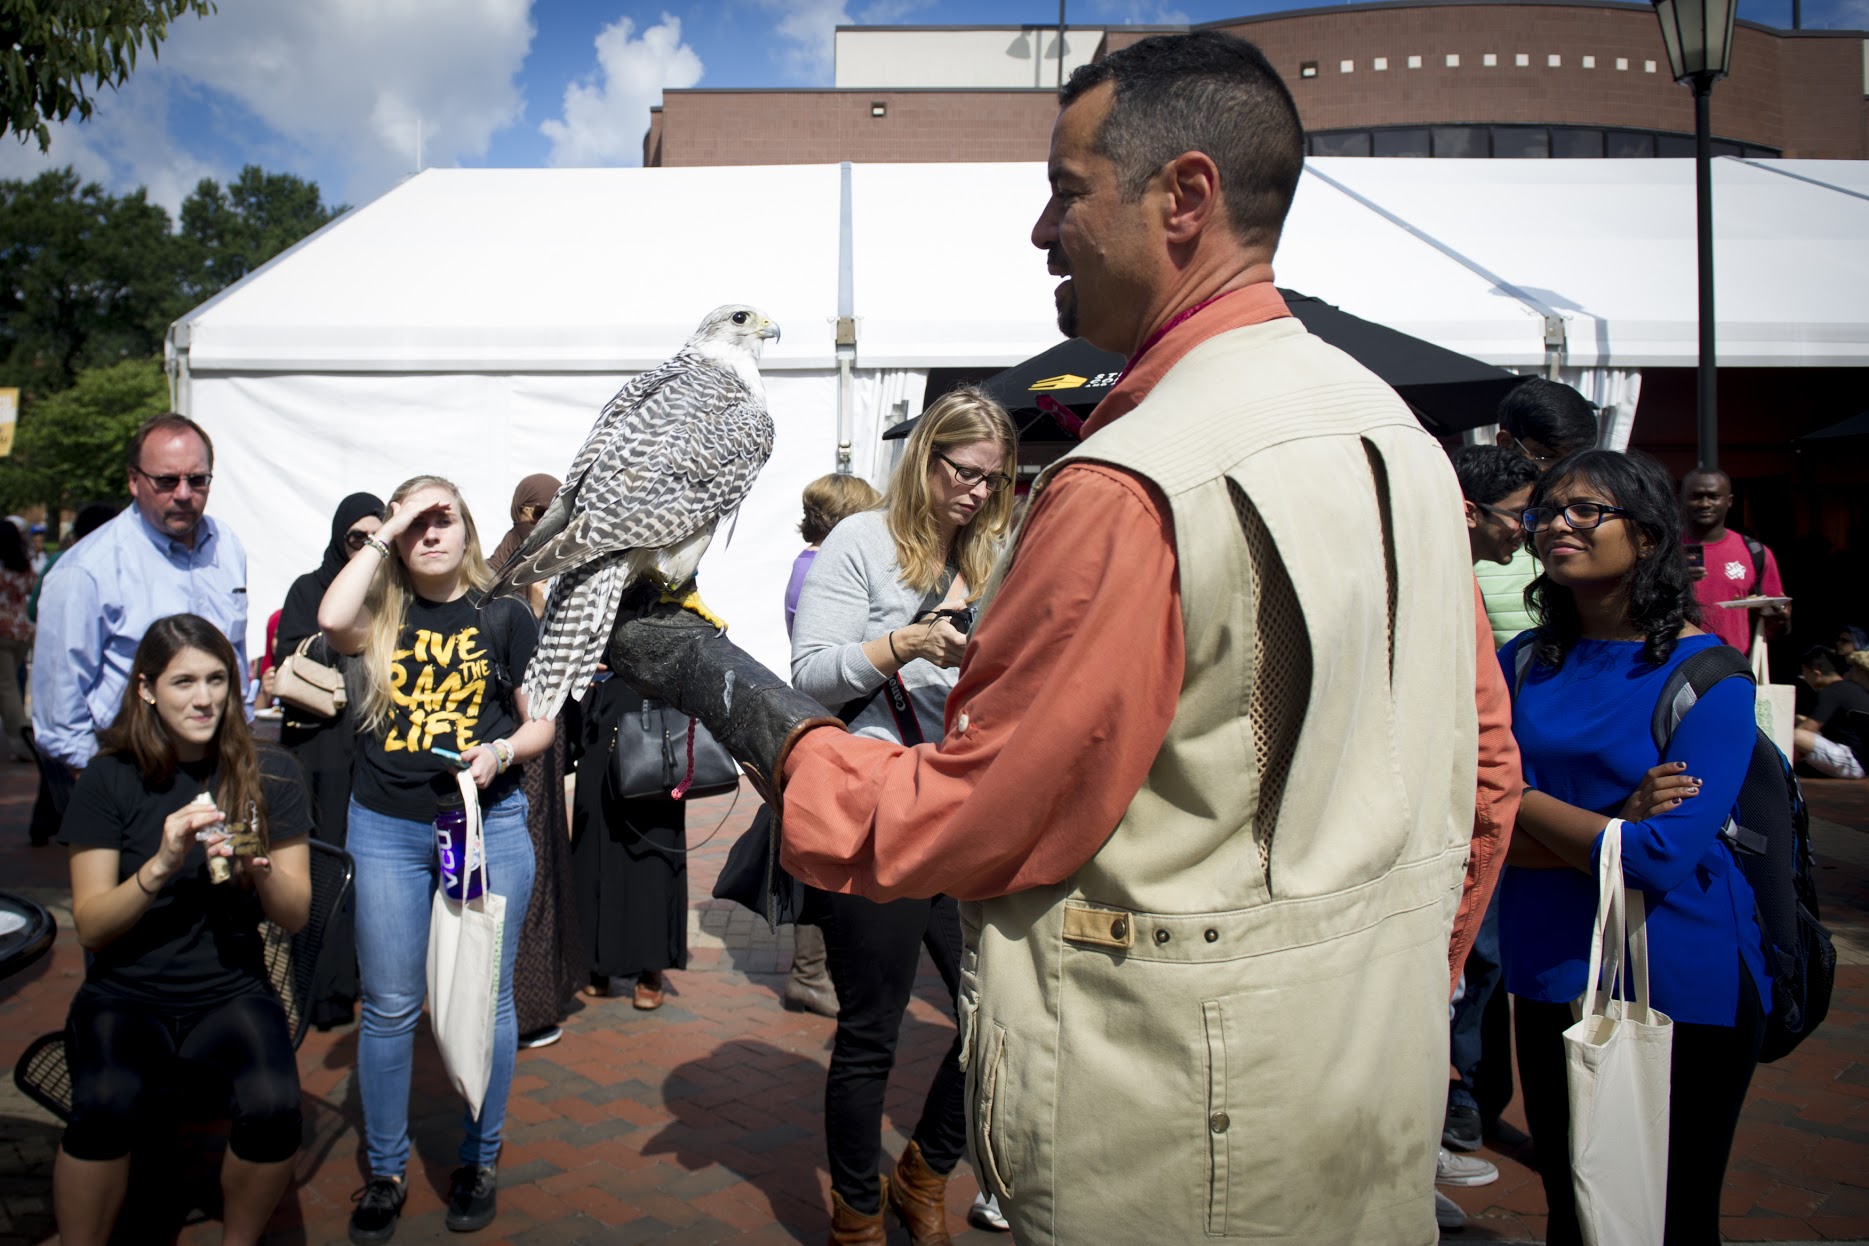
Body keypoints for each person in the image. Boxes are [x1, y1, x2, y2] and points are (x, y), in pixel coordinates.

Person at [608, 31, 1481, 1244]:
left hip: (1179, 1128)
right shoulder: (1400, 442)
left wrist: (731, 690)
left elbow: (973, 818)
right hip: (1370, 1093)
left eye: (1066, 191)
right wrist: (1384, 989)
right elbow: (1481, 773)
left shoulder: (1133, 481)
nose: (1039, 231)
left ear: (1185, 196)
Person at [1501, 449, 1768, 1246]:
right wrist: (1613, 817)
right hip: (1551, 963)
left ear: (1647, 537)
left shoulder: (1709, 676)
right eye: (1546, 509)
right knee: (1574, 1208)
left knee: (1669, 1216)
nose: (1556, 523)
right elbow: (1467, 830)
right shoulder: (1519, 664)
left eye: (1585, 510)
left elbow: (1657, 861)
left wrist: (1522, 805)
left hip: (1679, 975)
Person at [789, 388, 1015, 1244]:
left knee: (996, 1014)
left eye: (995, 481)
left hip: (971, 807)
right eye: (967, 474)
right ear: (926, 459)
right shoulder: (862, 541)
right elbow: (809, 674)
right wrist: (908, 643)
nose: (980, 494)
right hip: (879, 805)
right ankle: (855, 1210)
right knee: (872, 1029)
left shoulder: (997, 550)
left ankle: (925, 1168)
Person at [316, 475, 554, 1245]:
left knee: (485, 1000)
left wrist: (499, 752)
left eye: (442, 516)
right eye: (413, 521)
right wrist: (386, 531)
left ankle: (479, 1158)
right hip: (385, 827)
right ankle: (385, 1172)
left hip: (486, 824)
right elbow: (329, 617)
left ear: (469, 527)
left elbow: (542, 724)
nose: (429, 531)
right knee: (388, 1006)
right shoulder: (379, 611)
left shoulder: (504, 612)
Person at [53, 613, 312, 1246]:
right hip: (126, 990)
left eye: (218, 679)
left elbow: (295, 913)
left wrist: (261, 869)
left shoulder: (267, 775)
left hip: (229, 987)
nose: (204, 698)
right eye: (184, 682)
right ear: (146, 689)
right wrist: (162, 865)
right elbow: (91, 926)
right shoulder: (111, 778)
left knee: (275, 1104)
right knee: (104, 1102)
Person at [32, 415, 248, 780]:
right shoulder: (87, 570)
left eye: (197, 480)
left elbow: (235, 654)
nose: (183, 494)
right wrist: (103, 783)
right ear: (134, 480)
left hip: (218, 763)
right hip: (132, 769)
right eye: (166, 481)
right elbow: (59, 706)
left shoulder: (226, 546)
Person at [1442, 445, 1539, 1165]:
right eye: (1518, 515)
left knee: (1487, 962)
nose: (1527, 530)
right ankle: (1457, 1102)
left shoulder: (1467, 576)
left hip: (1495, 793)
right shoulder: (1442, 578)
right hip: (1463, 802)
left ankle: (1469, 1094)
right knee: (1475, 962)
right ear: (1472, 513)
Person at [274, 492, 386, 1029]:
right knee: (322, 866)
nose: (364, 546)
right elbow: (288, 657)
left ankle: (363, 978)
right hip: (319, 752)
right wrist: (342, 632)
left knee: (369, 867)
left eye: (374, 537)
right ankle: (324, 991)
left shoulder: (388, 590)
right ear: (339, 537)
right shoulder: (309, 590)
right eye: (354, 538)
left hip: (369, 751)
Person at [782, 472, 881, 1020]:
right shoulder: (824, 567)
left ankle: (813, 972)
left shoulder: (808, 563)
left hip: (832, 718)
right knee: (824, 857)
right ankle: (811, 974)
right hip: (835, 719)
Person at [490, 474, 582, 1049]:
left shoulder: (546, 562)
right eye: (537, 511)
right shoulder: (507, 569)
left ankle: (539, 997)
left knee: (542, 862)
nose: (543, 521)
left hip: (538, 740)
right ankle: (519, 1008)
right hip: (511, 743)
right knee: (521, 871)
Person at [568, 675, 688, 1010]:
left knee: (650, 846)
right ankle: (597, 961)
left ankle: (650, 965)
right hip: (599, 713)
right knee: (593, 842)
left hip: (654, 710)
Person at [1477, 378, 1602, 648]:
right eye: (1549, 457)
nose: (1564, 472)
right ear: (1506, 443)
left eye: (1576, 459)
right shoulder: (1472, 522)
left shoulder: (1599, 520)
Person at [1680, 467, 1788, 653]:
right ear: (1682, 500)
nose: (1705, 504)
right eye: (1696, 496)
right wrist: (1672, 577)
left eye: (1713, 496)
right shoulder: (1660, 550)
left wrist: (1778, 620)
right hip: (1672, 664)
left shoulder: (1755, 553)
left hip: (1732, 668)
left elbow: (1776, 629)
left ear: (1729, 501)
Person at [1794, 646, 1869, 779]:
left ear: (1816, 674)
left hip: (1853, 761)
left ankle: (1779, 772)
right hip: (1860, 760)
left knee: (1796, 736)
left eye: (1805, 674)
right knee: (1798, 722)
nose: (1805, 679)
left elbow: (1807, 729)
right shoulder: (1851, 689)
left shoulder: (1832, 692)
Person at [0, 521, 36, 762]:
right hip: (22, 629)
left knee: (7, 687)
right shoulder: (24, 565)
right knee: (11, 682)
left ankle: (21, 740)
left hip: (2, 628)